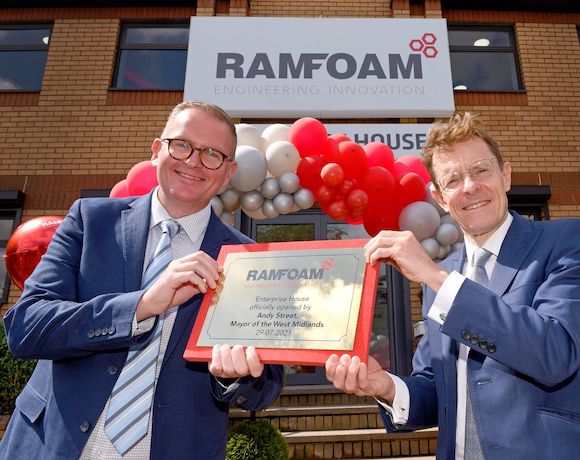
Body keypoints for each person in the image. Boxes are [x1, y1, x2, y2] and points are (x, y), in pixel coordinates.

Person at [0, 101, 283, 460]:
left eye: (212, 153)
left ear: (228, 173)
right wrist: (142, 305)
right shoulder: (91, 221)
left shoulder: (246, 259)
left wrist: (236, 376)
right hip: (53, 446)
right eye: (182, 145)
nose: (194, 161)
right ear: (156, 151)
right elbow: (26, 328)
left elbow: (267, 387)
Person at [325, 112, 580, 459]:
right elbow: (438, 390)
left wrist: (437, 278)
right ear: (440, 197)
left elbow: (555, 353)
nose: (470, 187)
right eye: (453, 179)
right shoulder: (443, 277)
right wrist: (384, 386)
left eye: (481, 170)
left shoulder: (564, 241)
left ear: (505, 175)